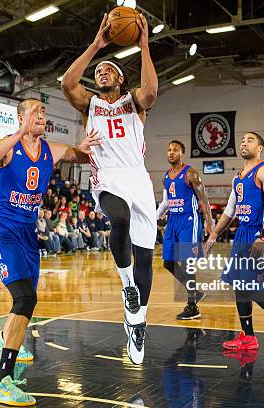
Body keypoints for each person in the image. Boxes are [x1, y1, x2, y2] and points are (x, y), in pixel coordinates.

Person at [0, 98, 96, 405]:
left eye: (43, 111)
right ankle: (1, 379)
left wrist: (90, 140)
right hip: (1, 225)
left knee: (29, 296)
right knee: (24, 297)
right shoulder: (8, 146)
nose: (41, 114)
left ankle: (7, 337)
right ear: (21, 117)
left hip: (28, 231)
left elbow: (80, 155)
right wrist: (19, 131)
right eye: (35, 110)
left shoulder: (50, 149)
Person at [61, 11, 157, 365]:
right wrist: (97, 44)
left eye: (108, 69)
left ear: (120, 78)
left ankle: (138, 320)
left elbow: (151, 91)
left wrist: (144, 44)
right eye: (98, 70)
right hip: (108, 175)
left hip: (138, 177)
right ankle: (126, 283)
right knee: (119, 219)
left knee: (146, 256)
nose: (101, 71)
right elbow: (67, 84)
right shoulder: (91, 104)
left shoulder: (134, 103)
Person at [204, 132, 264, 351]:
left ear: (260, 148)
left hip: (260, 232)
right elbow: (230, 211)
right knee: (239, 284)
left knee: (249, 285)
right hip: (242, 233)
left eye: (250, 140)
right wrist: (213, 235)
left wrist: (263, 237)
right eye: (242, 140)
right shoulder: (237, 177)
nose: (244, 142)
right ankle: (248, 337)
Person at [156, 140, 214, 320]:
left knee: (187, 261)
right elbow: (166, 203)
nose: (171, 152)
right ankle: (195, 292)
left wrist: (209, 223)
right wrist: (153, 218)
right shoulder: (166, 176)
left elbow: (203, 199)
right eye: (168, 149)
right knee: (168, 262)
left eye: (175, 150)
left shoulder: (191, 173)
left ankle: (192, 305)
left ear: (182, 153)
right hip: (173, 220)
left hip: (190, 219)